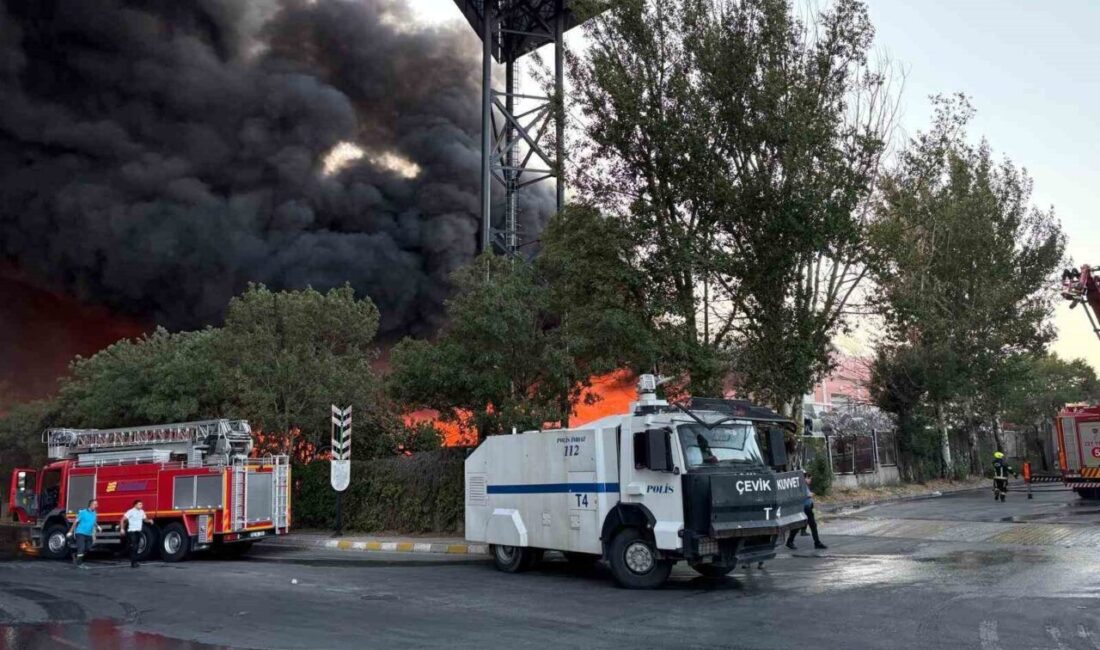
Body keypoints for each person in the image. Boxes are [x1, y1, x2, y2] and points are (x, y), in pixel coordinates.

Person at [787, 473, 826, 551]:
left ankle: (817, 542)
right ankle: (789, 541)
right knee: (798, 526)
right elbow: (802, 495)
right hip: (803, 508)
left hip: (808, 508)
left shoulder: (805, 486)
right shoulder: (800, 485)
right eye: (809, 478)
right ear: (805, 478)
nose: (810, 480)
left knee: (812, 525)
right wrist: (809, 495)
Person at [67, 499, 100, 569]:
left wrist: (98, 527)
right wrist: (70, 531)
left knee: (87, 548)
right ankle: (80, 564)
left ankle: (76, 554)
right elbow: (75, 522)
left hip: (89, 534)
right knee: (81, 548)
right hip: (80, 532)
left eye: (97, 504)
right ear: (91, 505)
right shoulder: (83, 512)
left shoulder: (94, 513)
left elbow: (93, 522)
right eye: (95, 504)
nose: (96, 506)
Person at [120, 499, 153, 568]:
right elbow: (122, 519)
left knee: (137, 547)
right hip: (132, 531)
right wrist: (122, 529)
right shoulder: (130, 511)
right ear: (135, 505)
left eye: (141, 504)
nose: (141, 505)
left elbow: (144, 519)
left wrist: (149, 520)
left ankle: (134, 561)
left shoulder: (142, 512)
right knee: (135, 546)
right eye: (140, 504)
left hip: (138, 531)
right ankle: (133, 563)